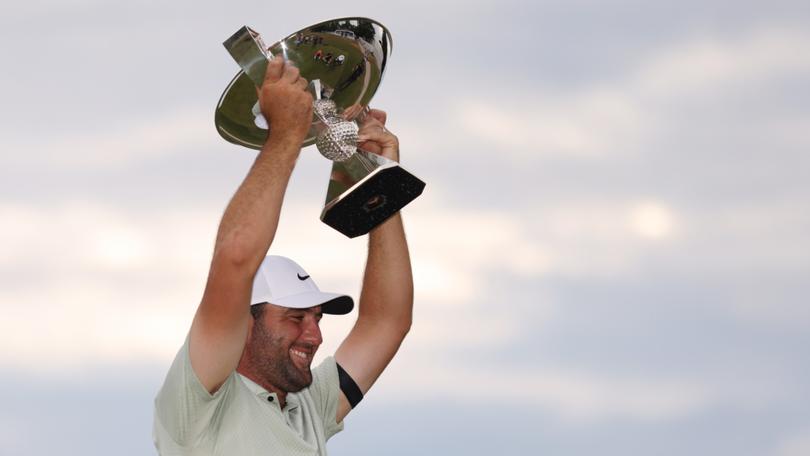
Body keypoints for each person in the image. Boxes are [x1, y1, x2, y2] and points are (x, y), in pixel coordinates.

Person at [152, 57, 413, 455]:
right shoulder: (200, 400)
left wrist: (379, 181)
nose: (315, 335)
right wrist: (286, 134)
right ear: (244, 325)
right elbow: (236, 257)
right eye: (295, 317)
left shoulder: (307, 404)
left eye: (315, 318)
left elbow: (387, 321)